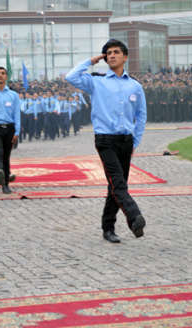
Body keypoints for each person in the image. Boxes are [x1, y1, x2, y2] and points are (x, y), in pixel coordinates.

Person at [66, 39, 147, 243]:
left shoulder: (135, 86)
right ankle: (134, 217)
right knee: (118, 182)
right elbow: (71, 77)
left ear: (125, 57)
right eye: (108, 53)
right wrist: (91, 61)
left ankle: (107, 227)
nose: (111, 55)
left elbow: (141, 115)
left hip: (126, 141)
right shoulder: (96, 81)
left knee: (116, 186)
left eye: (116, 52)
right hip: (105, 140)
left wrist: (135, 142)